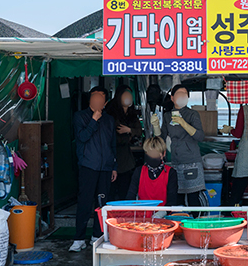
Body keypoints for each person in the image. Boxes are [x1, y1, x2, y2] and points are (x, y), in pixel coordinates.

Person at [70, 86, 117, 252]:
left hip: (105, 168)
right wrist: (94, 120)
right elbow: (82, 137)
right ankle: (79, 238)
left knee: (102, 203)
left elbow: (112, 145)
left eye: (100, 98)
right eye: (94, 96)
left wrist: (114, 166)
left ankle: (97, 235)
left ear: (105, 102)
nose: (97, 100)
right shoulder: (80, 116)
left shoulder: (109, 120)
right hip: (88, 166)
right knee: (85, 202)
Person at [149, 84, 209, 210]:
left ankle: (195, 222)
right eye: (179, 94)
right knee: (176, 198)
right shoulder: (167, 116)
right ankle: (179, 222)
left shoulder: (192, 114)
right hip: (174, 162)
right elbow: (161, 139)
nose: (182, 96)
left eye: (184, 94)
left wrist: (183, 122)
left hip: (191, 161)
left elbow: (200, 136)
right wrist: (156, 126)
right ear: (172, 98)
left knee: (193, 198)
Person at [107, 85, 141, 200]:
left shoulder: (132, 113)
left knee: (125, 188)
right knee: (111, 190)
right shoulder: (112, 113)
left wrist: (129, 130)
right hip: (113, 154)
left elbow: (139, 131)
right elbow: (116, 135)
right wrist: (128, 136)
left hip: (126, 158)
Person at [125, 136, 178, 206]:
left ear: (164, 154)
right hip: (143, 211)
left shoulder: (171, 173)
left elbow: (172, 200)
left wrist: (163, 211)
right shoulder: (139, 171)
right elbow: (130, 196)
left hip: (163, 212)